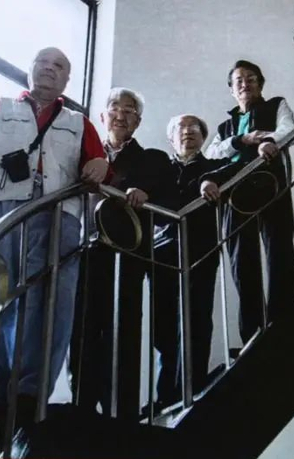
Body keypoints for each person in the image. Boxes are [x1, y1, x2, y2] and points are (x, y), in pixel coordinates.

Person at [0, 47, 109, 422]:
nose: (50, 69)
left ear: (67, 79)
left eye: (59, 66)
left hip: (58, 214)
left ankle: (29, 391)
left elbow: (99, 163)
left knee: (50, 301)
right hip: (0, 209)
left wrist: (101, 164)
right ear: (30, 69)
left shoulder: (79, 122)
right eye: (43, 62)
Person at [74, 87, 176, 420]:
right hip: (84, 254)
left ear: (138, 122)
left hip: (128, 258)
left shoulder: (153, 159)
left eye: (130, 110)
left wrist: (145, 193)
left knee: (124, 332)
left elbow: (169, 204)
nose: (121, 114)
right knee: (83, 332)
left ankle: (123, 417)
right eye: (115, 108)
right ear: (102, 116)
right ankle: (83, 410)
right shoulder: (82, 155)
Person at [203, 60, 294, 345]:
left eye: (251, 79)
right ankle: (252, 333)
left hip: (269, 183)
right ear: (232, 90)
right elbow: (211, 155)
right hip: (235, 194)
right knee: (241, 262)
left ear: (260, 84)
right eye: (239, 81)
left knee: (279, 249)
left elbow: (288, 129)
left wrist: (269, 141)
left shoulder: (276, 105)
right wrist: (241, 139)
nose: (245, 84)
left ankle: (282, 318)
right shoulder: (225, 126)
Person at [150, 114, 229, 409]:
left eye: (195, 128)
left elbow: (237, 167)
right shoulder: (159, 170)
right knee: (163, 323)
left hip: (200, 247)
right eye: (181, 128)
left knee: (196, 316)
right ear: (171, 138)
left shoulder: (214, 167)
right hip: (162, 250)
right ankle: (166, 394)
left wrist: (211, 179)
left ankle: (192, 387)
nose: (188, 132)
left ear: (203, 138)